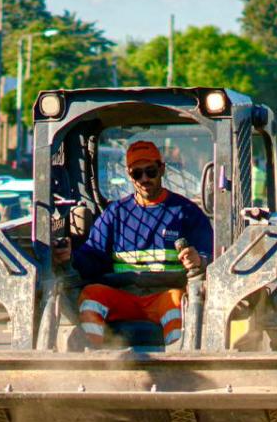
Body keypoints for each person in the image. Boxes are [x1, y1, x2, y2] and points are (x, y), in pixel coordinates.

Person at [53, 140, 212, 347]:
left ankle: (178, 362)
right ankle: (93, 360)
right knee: (91, 296)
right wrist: (69, 257)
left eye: (150, 172)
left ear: (162, 169)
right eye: (137, 174)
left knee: (176, 302)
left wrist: (198, 259)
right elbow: (92, 256)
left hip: (164, 294)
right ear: (130, 175)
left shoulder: (187, 212)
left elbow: (210, 252)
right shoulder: (116, 214)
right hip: (124, 295)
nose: (144, 179)